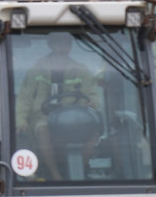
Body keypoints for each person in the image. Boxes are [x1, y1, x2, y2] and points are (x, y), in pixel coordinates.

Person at [16, 31, 100, 181]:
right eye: (58, 43)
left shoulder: (81, 70)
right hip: (44, 116)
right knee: (43, 130)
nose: (63, 47)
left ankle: (81, 171)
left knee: (93, 132)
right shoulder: (37, 69)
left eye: (66, 43)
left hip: (74, 117)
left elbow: (92, 95)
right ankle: (56, 176)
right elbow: (24, 98)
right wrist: (21, 122)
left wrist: (90, 105)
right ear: (51, 45)